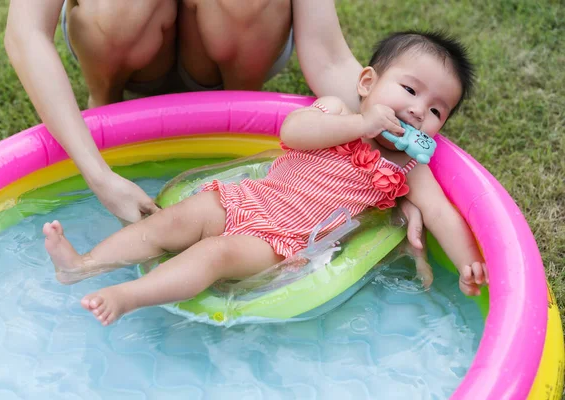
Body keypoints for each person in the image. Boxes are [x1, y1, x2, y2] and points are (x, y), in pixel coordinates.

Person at [43, 31, 488, 326]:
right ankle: (82, 265)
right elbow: (293, 132)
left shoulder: (410, 169)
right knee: (170, 222)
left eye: (436, 110)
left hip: (282, 239)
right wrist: (360, 126)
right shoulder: (336, 111)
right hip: (249, 197)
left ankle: (129, 296)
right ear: (368, 82)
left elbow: (442, 214)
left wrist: (470, 260)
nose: (417, 111)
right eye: (410, 90)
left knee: (215, 255)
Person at [4, 0, 426, 249]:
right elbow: (25, 34)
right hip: (121, 40)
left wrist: (393, 159)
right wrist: (98, 176)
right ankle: (105, 108)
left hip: (233, 41)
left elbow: (331, 58)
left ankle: (236, 125)